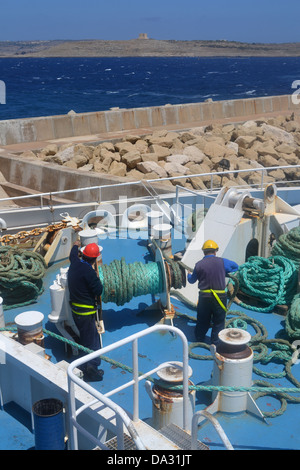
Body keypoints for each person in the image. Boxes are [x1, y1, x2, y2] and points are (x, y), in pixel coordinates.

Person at [187, 239, 238, 345]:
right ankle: (215, 342)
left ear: (204, 252)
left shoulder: (199, 264)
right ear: (215, 251)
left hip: (204, 297)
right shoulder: (222, 262)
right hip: (219, 297)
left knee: (202, 318)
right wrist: (225, 271)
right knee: (219, 320)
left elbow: (191, 281)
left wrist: (188, 274)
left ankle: (199, 337)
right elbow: (235, 266)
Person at [68, 240, 104, 381]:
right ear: (95, 259)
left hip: (75, 311)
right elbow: (98, 290)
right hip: (86, 313)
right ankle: (92, 369)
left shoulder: (75, 263)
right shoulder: (89, 272)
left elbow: (72, 255)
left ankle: (84, 365)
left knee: (85, 337)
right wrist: (97, 279)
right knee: (93, 342)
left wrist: (75, 244)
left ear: (83, 255)